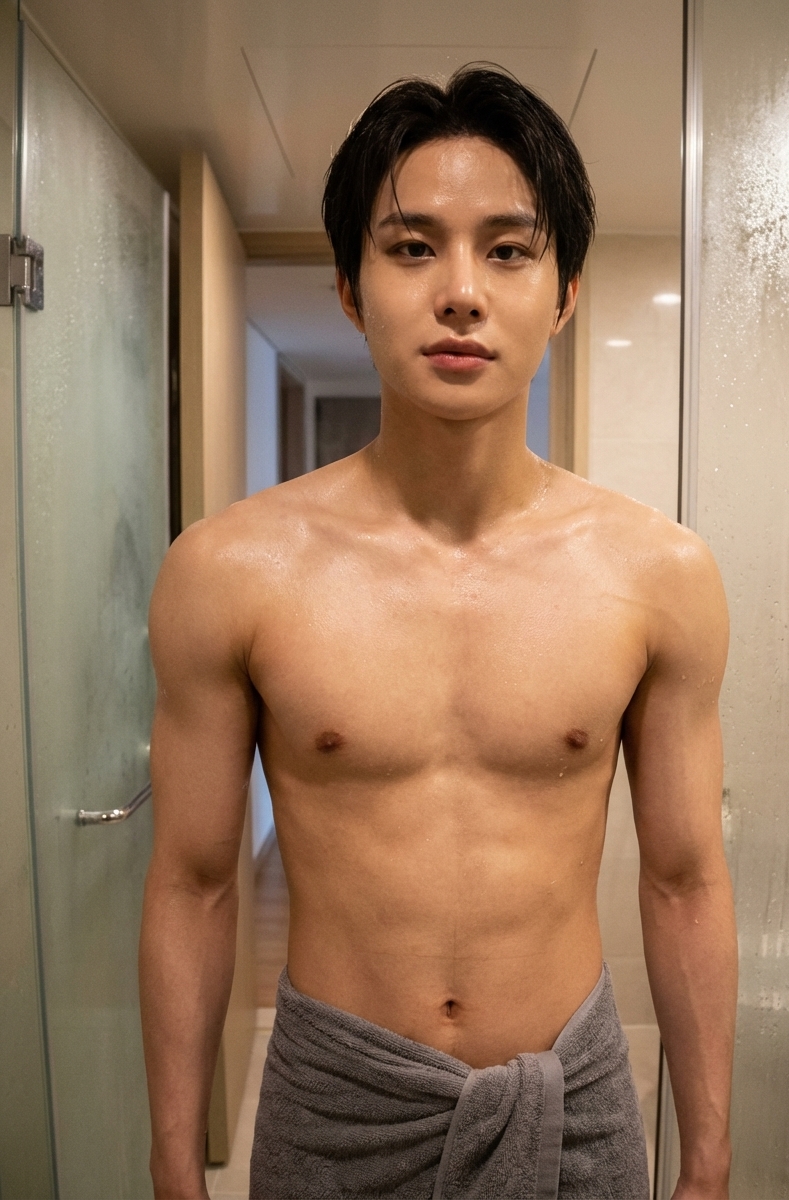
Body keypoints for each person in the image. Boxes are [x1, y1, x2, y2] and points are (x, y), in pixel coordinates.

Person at [140, 65, 737, 1200]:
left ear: (563, 292)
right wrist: (174, 1161)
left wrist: (707, 1160)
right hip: (336, 1107)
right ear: (350, 287)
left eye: (508, 250)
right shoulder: (228, 572)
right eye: (412, 247)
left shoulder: (659, 575)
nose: (460, 292)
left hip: (568, 1103)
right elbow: (194, 882)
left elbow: (686, 881)